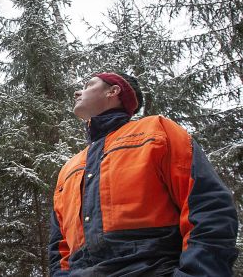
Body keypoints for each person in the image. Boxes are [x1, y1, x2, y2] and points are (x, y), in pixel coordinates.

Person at [48, 72, 239, 276]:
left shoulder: (157, 131)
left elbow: (208, 207)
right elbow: (59, 249)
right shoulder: (70, 167)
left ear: (113, 91)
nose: (78, 92)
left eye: (88, 85)